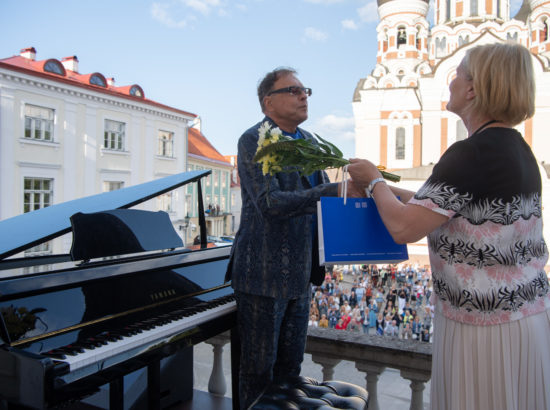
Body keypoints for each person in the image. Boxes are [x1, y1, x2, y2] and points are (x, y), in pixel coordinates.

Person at [348, 42, 550, 409]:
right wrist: (383, 189)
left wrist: (374, 180)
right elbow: (442, 204)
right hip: (521, 317)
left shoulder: (470, 152)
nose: (451, 83)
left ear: (473, 89)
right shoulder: (514, 148)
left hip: (483, 330)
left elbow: (405, 228)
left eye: (457, 74)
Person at [225, 67, 361, 408]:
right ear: (268, 101)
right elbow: (269, 203)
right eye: (294, 90)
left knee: (291, 371)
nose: (304, 95)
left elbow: (320, 207)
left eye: (305, 90)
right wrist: (328, 191)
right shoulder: (253, 139)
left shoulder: (311, 142)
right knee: (257, 374)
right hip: (262, 276)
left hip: (301, 276)